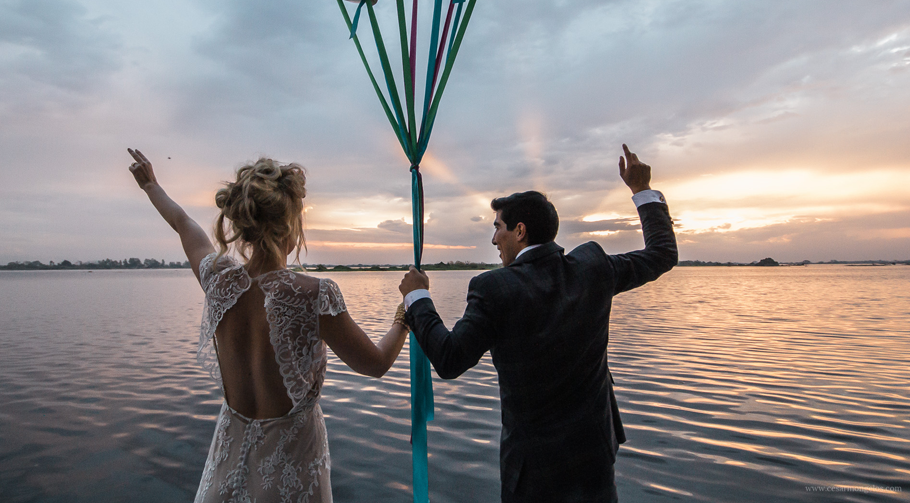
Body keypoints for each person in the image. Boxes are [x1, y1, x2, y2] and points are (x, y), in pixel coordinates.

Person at [127, 148, 409, 503]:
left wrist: (151, 186)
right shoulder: (315, 294)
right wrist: (405, 312)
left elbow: (184, 224)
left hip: (227, 465)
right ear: (290, 226)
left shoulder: (219, 282)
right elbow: (376, 363)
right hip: (292, 470)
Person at [398, 144, 677, 503]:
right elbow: (662, 253)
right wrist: (641, 189)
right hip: (595, 456)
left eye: (497, 227)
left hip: (533, 473)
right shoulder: (593, 267)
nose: (493, 238)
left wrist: (418, 297)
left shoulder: (493, 288)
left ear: (520, 230)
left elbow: (450, 358)